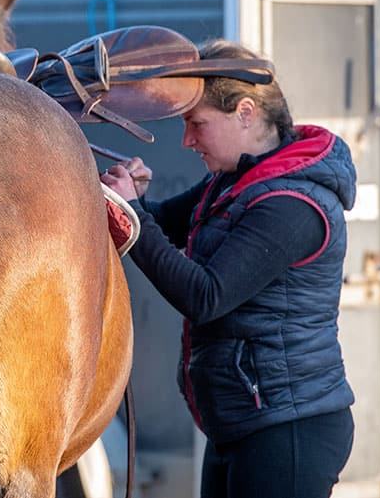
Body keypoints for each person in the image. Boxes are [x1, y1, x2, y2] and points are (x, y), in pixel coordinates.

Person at [100, 39, 356, 498]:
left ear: (245, 112)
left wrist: (131, 213)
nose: (187, 140)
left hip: (288, 430)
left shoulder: (291, 204)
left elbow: (205, 297)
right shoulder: (237, 179)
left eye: (196, 124)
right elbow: (164, 222)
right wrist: (129, 194)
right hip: (243, 424)